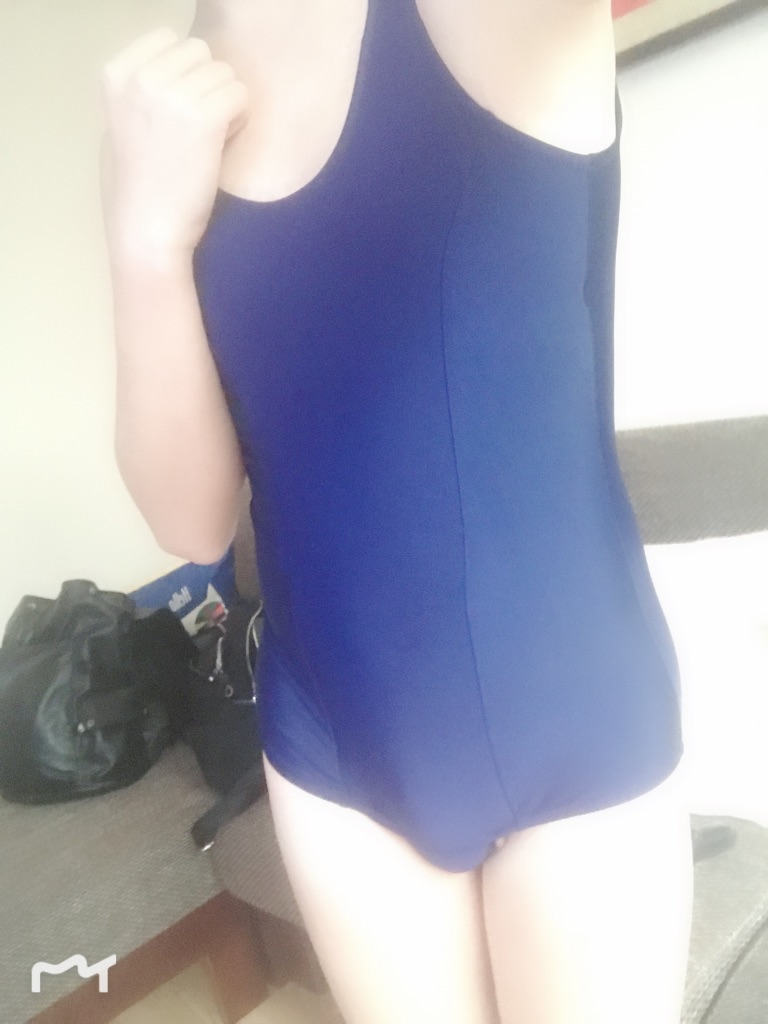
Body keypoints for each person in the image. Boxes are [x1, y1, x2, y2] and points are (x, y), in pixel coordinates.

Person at [99, 1, 694, 1021]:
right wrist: (145, 243)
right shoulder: (160, 104)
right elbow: (190, 525)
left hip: (580, 716)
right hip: (336, 753)